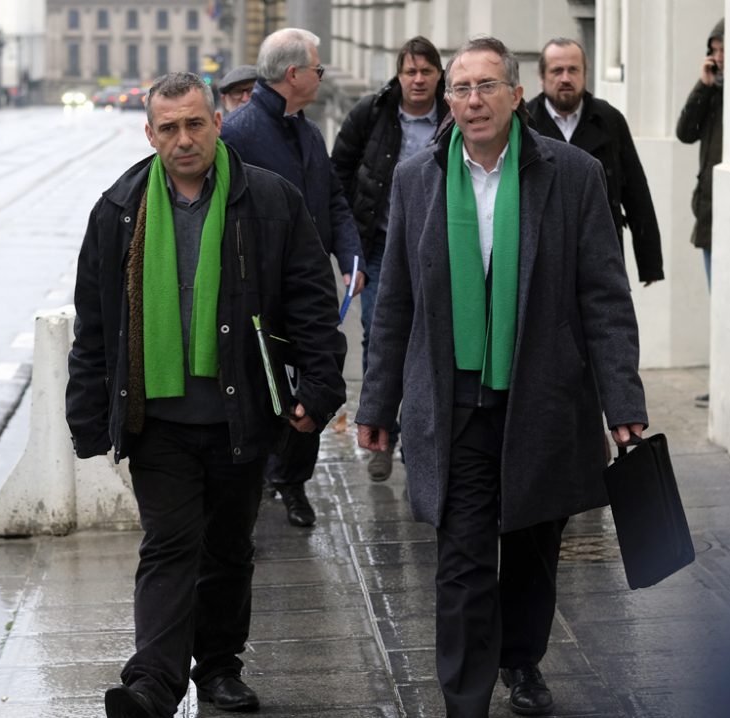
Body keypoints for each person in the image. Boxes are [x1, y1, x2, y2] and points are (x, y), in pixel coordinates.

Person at [355, 37, 648, 718]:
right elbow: (395, 301)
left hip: (542, 397)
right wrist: (378, 402)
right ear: (445, 101)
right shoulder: (416, 179)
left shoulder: (571, 175)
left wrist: (621, 401)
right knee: (460, 560)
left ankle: (521, 659)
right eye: (461, 89)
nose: (473, 100)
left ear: (518, 96)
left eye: (487, 86)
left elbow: (604, 296)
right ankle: (464, 698)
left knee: (531, 549)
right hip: (453, 404)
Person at [66, 71, 347, 718]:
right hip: (156, 418)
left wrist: (320, 386)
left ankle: (219, 667)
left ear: (217, 123)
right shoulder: (118, 210)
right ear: (149, 133)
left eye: (195, 123)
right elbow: (96, 326)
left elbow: (310, 302)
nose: (184, 138)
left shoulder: (270, 201)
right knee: (168, 546)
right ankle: (153, 687)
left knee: (227, 548)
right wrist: (87, 416)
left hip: (239, 410)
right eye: (169, 128)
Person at [222, 27, 366, 528]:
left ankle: (293, 480)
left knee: (320, 380)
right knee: (269, 385)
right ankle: (262, 474)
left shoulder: (307, 130)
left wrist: (352, 259)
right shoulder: (237, 134)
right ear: (293, 74)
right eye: (318, 68)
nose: (322, 76)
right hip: (263, 290)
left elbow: (333, 201)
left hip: (313, 284)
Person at [331, 35, 446, 481]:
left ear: (439, 75)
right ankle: (383, 432)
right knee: (380, 338)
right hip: (380, 247)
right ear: (398, 76)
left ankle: (424, 440)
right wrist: (349, 251)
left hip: (440, 250)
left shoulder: (454, 117)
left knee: (436, 341)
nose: (418, 80)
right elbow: (337, 175)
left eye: (426, 71)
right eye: (409, 71)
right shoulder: (372, 114)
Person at [526, 38, 664, 286]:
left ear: (585, 74)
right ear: (542, 76)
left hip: (601, 249)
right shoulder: (525, 124)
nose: (565, 78)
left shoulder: (609, 119)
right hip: (543, 256)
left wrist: (649, 263)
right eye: (557, 70)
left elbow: (636, 193)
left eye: (573, 70)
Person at [677, 18, 723, 409]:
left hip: (729, 215)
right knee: (718, 304)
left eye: (724, 49)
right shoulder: (714, 94)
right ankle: (721, 380)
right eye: (714, 49)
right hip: (710, 216)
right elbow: (684, 131)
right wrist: (702, 87)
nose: (719, 57)